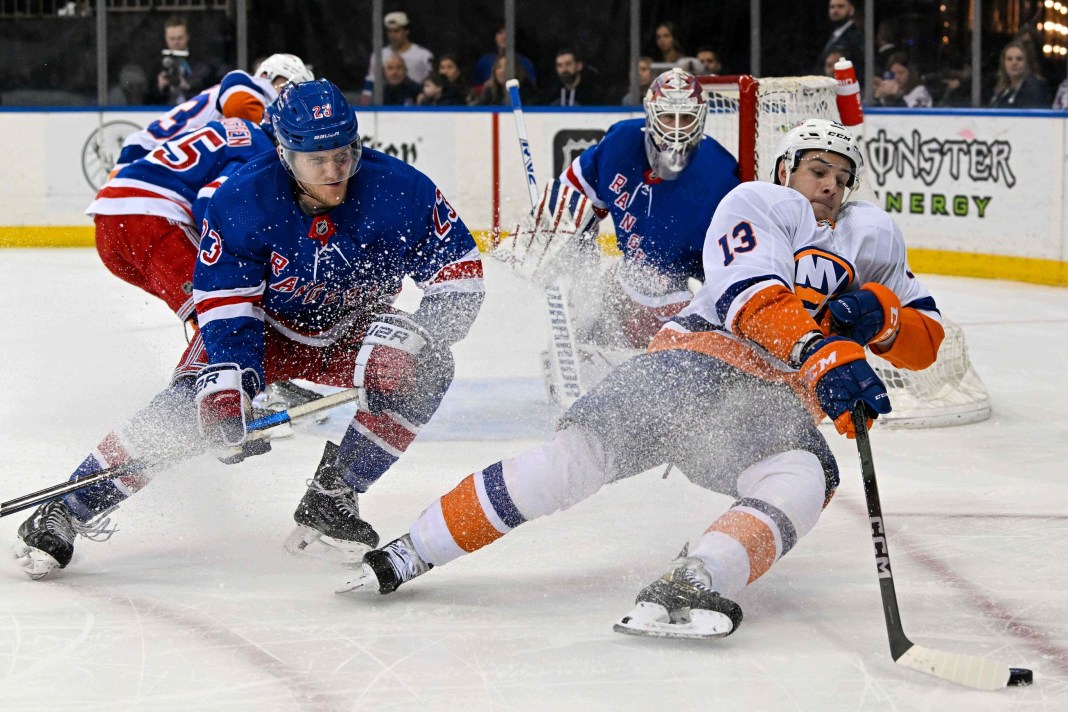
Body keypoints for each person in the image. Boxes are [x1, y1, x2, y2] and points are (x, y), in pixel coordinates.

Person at [341, 119, 947, 646]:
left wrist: (884, 318)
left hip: (766, 407)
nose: (831, 185)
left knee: (805, 477)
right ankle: (413, 549)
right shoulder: (757, 204)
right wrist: (823, 353)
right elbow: (750, 301)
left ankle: (697, 578)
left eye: (843, 177)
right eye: (818, 169)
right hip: (691, 367)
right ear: (786, 168)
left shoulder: (871, 237)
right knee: (572, 463)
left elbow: (929, 339)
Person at [13, 79, 485, 581]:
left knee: (431, 370)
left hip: (350, 327)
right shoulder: (242, 199)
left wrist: (424, 337)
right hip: (263, 328)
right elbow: (225, 303)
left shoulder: (404, 190)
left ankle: (334, 494)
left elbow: (459, 274)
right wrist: (233, 379)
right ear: (284, 154)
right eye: (315, 159)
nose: (333, 172)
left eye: (343, 156)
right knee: (187, 409)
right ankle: (68, 507)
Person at [498, 68, 740, 397]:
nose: (677, 130)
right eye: (669, 117)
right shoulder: (620, 144)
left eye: (686, 119)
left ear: (701, 118)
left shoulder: (722, 173)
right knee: (596, 300)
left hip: (684, 297)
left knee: (676, 384)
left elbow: (729, 267)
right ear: (650, 114)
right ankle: (579, 352)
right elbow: (572, 199)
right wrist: (551, 242)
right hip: (627, 280)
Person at [85, 116, 276, 324]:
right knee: (221, 309)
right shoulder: (263, 153)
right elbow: (208, 199)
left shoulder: (237, 125)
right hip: (151, 220)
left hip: (109, 223)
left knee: (215, 310)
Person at [116, 53, 314, 169]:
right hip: (144, 162)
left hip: (142, 160)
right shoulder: (255, 87)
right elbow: (241, 109)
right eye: (291, 85)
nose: (291, 98)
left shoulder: (244, 92)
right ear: (267, 74)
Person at [360, 11, 434, 106]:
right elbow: (371, 79)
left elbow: (430, 80)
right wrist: (365, 104)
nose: (392, 35)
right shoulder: (379, 55)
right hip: (387, 100)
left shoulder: (423, 55)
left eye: (396, 31)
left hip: (416, 100)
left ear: (406, 31)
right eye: (389, 31)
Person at [148, 15, 216, 106]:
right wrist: (160, 87)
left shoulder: (200, 62)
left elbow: (208, 89)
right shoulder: (158, 64)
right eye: (172, 39)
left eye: (180, 38)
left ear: (187, 37)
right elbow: (148, 98)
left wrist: (188, 86)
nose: (176, 42)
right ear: (165, 38)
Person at [470, 24, 538, 95]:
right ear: (495, 37)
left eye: (508, 33)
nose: (504, 36)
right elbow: (474, 88)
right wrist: (487, 87)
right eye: (500, 33)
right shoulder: (484, 61)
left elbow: (532, 89)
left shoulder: (525, 62)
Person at [990, 39, 1051, 108]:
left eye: (1019, 59)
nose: (1014, 63)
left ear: (1027, 63)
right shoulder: (1001, 90)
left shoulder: (1034, 89)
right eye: (1009, 59)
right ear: (1003, 63)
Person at [815, 0, 864, 87]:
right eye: (832, 7)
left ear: (851, 9)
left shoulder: (855, 36)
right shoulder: (835, 34)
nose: (835, 10)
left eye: (840, 6)